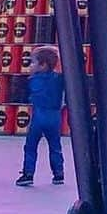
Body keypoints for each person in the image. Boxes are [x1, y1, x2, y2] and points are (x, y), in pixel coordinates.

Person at [16, 45, 65, 187]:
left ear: (43, 65)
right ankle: (58, 173)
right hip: (55, 117)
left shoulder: (32, 80)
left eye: (33, 62)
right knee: (55, 145)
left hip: (38, 117)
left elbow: (25, 95)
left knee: (31, 146)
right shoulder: (59, 79)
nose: (30, 66)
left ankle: (28, 174)